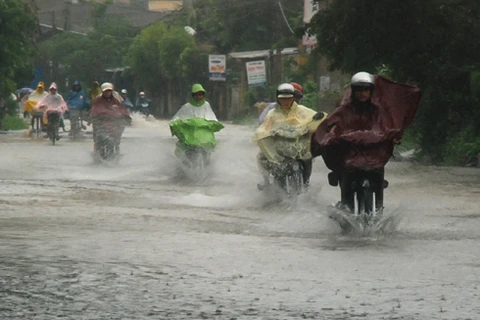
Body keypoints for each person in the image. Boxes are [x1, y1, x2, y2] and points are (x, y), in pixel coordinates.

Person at [311, 71, 421, 211]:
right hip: (350, 158)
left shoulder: (379, 111)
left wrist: (391, 136)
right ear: (353, 91)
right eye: (358, 90)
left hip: (373, 158)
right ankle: (345, 205)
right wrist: (329, 138)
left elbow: (386, 126)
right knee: (345, 173)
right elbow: (328, 127)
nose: (362, 93)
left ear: (371, 91)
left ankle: (379, 207)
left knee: (378, 172)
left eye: (366, 90)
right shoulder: (344, 110)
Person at [253, 83, 324, 189]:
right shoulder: (272, 112)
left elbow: (312, 118)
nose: (286, 102)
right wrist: (267, 132)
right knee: (263, 157)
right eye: (283, 99)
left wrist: (315, 123)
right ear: (277, 98)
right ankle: (267, 181)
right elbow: (264, 124)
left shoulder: (302, 110)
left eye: (289, 98)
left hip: (298, 143)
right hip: (279, 144)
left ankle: (306, 183)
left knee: (308, 157)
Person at [89, 82, 131, 152]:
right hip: (101, 123)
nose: (107, 93)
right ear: (103, 91)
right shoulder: (98, 100)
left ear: (111, 91)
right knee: (97, 136)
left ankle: (117, 149)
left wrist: (127, 117)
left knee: (117, 135)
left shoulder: (116, 100)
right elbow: (94, 109)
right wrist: (92, 117)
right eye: (106, 91)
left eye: (109, 91)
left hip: (113, 124)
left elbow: (122, 109)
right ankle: (96, 150)